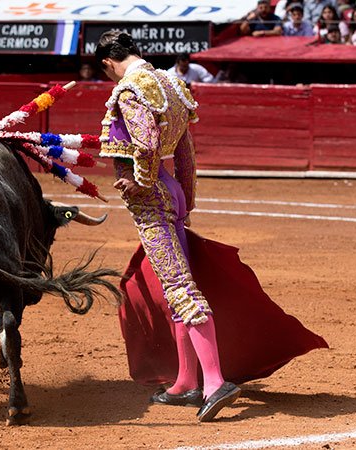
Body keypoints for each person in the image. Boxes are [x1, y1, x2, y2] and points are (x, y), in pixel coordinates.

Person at [95, 30, 241, 422]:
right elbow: (186, 152)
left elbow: (144, 142)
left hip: (152, 198)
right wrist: (186, 199)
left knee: (179, 288)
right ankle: (185, 381)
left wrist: (137, 179)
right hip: (172, 190)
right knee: (177, 284)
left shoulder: (129, 91)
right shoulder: (172, 83)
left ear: (108, 63)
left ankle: (214, 382)